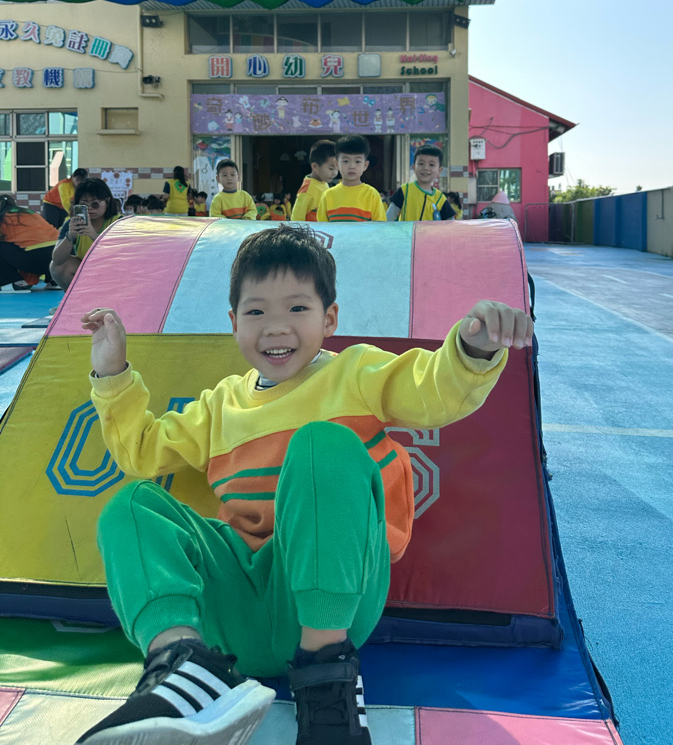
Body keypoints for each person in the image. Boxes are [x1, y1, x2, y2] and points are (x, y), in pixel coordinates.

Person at [77, 225, 531, 745]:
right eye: (256, 312)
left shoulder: (355, 373)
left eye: (297, 308)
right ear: (234, 322)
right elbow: (141, 451)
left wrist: (472, 348)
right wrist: (111, 374)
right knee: (132, 505)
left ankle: (327, 675)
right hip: (237, 618)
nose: (276, 327)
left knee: (323, 443)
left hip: (334, 606)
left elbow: (432, 391)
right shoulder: (221, 404)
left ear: (328, 318)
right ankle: (183, 665)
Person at [50, 178, 121, 291]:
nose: (90, 209)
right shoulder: (72, 223)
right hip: (89, 271)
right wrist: (70, 236)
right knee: (59, 267)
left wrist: (93, 235)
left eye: (95, 204)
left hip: (115, 273)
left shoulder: (119, 222)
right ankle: (75, 298)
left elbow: (121, 256)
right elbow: (57, 260)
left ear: (107, 202)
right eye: (84, 205)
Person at [316, 135, 386, 222]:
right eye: (346, 161)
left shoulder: (372, 195)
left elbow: (380, 227)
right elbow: (322, 228)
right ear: (337, 164)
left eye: (357, 161)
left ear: (365, 165)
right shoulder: (327, 196)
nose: (352, 166)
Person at [0, 194, 59, 290]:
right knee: (34, 245)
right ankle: (54, 280)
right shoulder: (28, 212)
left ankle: (14, 281)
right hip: (59, 257)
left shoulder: (3, 216)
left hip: (35, 256)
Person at [387, 146, 455, 222]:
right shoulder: (404, 190)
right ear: (414, 167)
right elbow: (389, 218)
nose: (425, 168)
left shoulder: (440, 198)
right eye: (421, 163)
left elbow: (451, 223)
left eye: (431, 164)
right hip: (408, 230)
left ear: (439, 170)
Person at [291, 139, 338, 222]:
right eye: (331, 168)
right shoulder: (307, 190)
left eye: (337, 169)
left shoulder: (323, 183)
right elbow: (296, 219)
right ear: (315, 167)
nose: (335, 173)